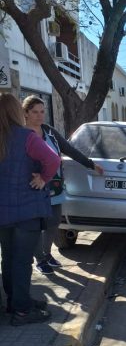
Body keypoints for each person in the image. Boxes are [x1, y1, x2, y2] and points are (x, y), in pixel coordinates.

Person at [22, 96, 104, 275]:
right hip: (32, 187)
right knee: (36, 226)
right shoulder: (21, 134)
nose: (39, 116)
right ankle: (40, 259)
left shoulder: (49, 131)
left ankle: (46, 253)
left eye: (42, 111)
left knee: (53, 222)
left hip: (54, 185)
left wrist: (91, 164)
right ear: (26, 113)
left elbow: (69, 150)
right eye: (35, 112)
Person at [0, 93, 60, 325]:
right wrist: (44, 179)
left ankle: (15, 302)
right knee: (22, 261)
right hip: (26, 211)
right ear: (17, 111)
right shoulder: (27, 137)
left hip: (3, 212)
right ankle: (22, 311)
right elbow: (53, 160)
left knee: (8, 258)